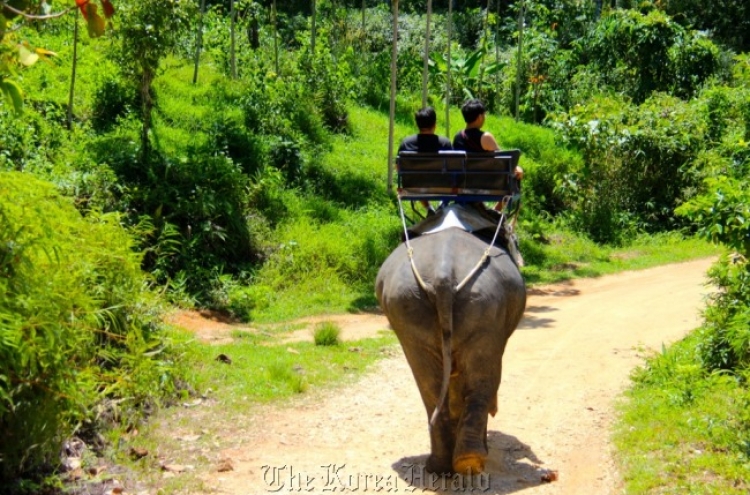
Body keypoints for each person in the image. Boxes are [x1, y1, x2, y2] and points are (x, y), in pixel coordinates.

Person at [452, 98, 523, 211]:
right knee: (513, 176)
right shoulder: (485, 137)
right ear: (480, 117)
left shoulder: (457, 137)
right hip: (485, 185)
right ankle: (496, 211)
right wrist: (517, 168)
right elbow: (505, 162)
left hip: (461, 186)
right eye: (484, 114)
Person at [398, 107, 452, 214]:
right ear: (434, 124)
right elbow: (454, 168)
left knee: (418, 179)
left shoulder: (406, 143)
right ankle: (442, 206)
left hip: (413, 188)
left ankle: (429, 209)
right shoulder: (445, 143)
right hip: (442, 188)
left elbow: (399, 167)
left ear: (417, 124)